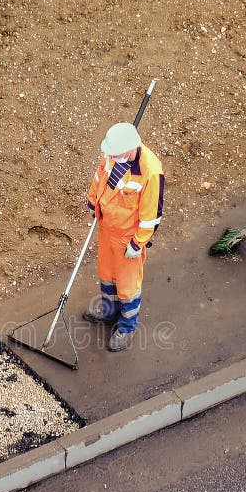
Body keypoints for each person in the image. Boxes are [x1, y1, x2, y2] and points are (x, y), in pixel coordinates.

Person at [84, 121, 164, 352]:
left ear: (129, 149)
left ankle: (127, 326)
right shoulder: (112, 155)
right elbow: (99, 180)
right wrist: (92, 203)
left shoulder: (150, 171)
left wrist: (138, 243)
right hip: (107, 228)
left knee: (128, 286)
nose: (109, 156)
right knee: (107, 275)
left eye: (114, 153)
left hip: (128, 239)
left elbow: (152, 216)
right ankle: (109, 313)